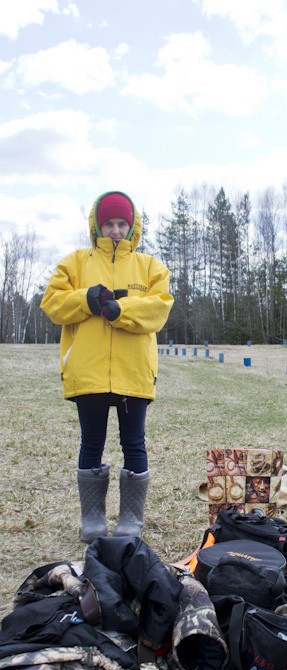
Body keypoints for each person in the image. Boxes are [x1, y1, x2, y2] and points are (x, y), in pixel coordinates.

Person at [41, 191, 174, 543]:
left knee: (134, 443)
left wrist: (123, 310)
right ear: (97, 226)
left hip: (133, 371)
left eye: (122, 224)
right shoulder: (75, 263)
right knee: (91, 444)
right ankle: (93, 519)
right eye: (109, 224)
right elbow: (52, 304)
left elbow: (159, 308)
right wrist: (86, 299)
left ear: (132, 228)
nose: (115, 230)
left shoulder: (150, 267)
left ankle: (131, 520)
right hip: (89, 371)